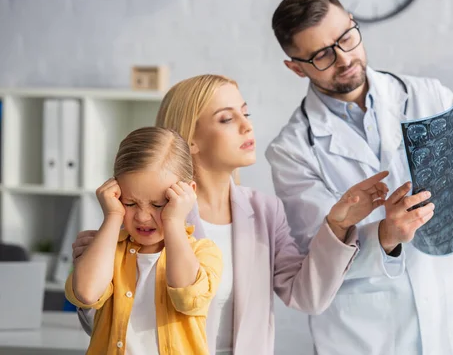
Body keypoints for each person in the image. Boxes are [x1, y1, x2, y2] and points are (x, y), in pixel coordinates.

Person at [265, 0, 453, 354]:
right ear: (295, 67)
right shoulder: (292, 151)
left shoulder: (427, 96)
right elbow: (316, 265)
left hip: (452, 319)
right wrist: (383, 236)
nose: (344, 58)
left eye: (346, 37)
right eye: (322, 54)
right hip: (365, 336)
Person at [72, 74, 390, 355]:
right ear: (189, 140)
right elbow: (106, 318)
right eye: (227, 118)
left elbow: (307, 297)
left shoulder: (264, 211)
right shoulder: (148, 217)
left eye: (245, 112)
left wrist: (338, 223)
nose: (247, 125)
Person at [66, 126, 223, 355]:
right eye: (130, 203)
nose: (142, 216)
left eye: (158, 204)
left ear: (186, 194)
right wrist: (113, 216)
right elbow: (87, 294)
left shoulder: (203, 252)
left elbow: (188, 297)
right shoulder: (107, 249)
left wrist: (172, 220)